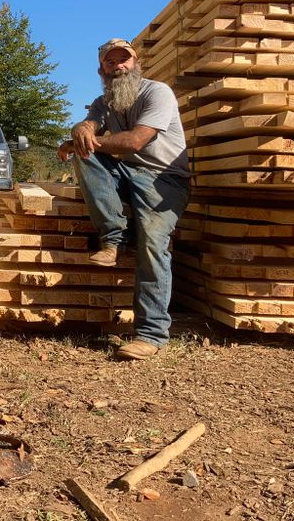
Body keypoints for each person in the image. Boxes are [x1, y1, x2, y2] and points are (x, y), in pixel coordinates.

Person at [57, 38, 190, 360]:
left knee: (152, 243)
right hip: (125, 174)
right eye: (110, 62)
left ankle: (151, 334)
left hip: (164, 180)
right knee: (85, 153)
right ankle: (113, 239)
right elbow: (89, 122)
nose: (118, 66)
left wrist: (84, 141)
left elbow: (134, 141)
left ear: (135, 62)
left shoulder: (156, 92)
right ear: (101, 69)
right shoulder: (105, 100)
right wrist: (81, 129)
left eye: (123, 60)